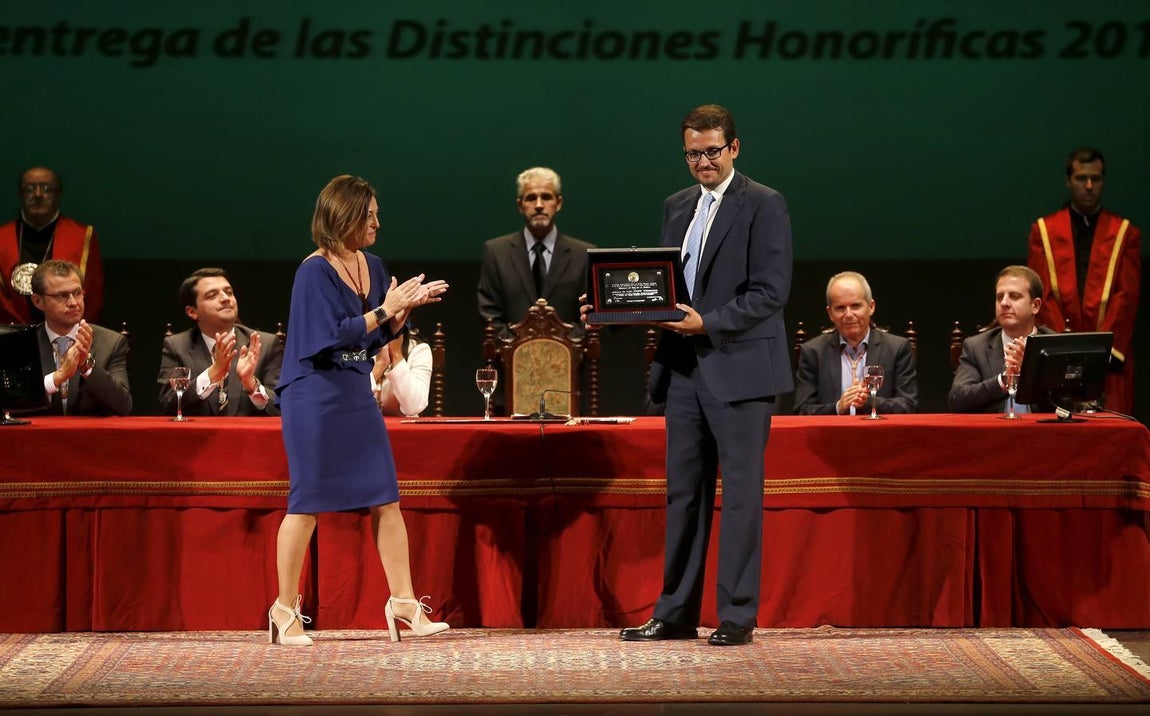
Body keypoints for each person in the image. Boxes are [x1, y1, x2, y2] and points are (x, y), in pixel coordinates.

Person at [611, 104, 793, 647]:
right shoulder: (677, 205)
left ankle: (736, 615)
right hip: (685, 371)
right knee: (683, 495)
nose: (703, 162)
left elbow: (770, 292)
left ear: (734, 148)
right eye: (693, 154)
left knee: (739, 497)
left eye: (712, 151)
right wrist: (614, 306)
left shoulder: (764, 203)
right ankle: (674, 612)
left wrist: (706, 323)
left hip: (741, 369)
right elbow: (665, 288)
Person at [269, 175, 450, 646]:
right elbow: (329, 335)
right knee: (308, 502)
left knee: (385, 497)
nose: (377, 223)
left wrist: (401, 312)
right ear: (344, 215)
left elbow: (370, 338)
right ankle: (284, 610)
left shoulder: (373, 264)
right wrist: (386, 309)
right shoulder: (313, 271)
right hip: (313, 394)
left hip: (353, 389)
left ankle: (404, 603)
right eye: (369, 215)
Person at [1026, 147, 1141, 415]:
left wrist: (1101, 352)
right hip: (1058, 357)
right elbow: (1043, 296)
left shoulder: (1124, 233)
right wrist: (1064, 348)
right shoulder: (1043, 231)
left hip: (1109, 361)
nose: (1089, 186)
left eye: (1096, 179)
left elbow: (1126, 297)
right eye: (1081, 178)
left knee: (1111, 430)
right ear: (1068, 181)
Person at [477, 167, 594, 336]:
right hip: (511, 351)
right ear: (520, 205)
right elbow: (489, 313)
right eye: (531, 198)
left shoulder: (583, 254)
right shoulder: (496, 252)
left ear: (558, 203)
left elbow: (589, 314)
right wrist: (520, 349)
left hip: (570, 351)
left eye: (546, 197)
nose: (539, 205)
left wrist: (559, 349)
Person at [157, 267, 283, 417]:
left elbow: (281, 408)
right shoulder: (177, 346)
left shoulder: (265, 344)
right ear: (192, 311)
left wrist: (251, 385)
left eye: (229, 292)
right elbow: (168, 406)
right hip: (198, 432)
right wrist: (212, 374)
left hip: (246, 432)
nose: (225, 298)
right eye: (212, 295)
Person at [793, 271, 918, 415]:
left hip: (879, 429)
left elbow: (908, 406)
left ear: (871, 307)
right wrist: (837, 408)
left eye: (856, 306)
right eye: (840, 308)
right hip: (832, 430)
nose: (848, 314)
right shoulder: (813, 352)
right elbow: (802, 410)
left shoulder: (897, 348)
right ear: (830, 313)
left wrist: (869, 402)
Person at [0, 167, 104, 325]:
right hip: (12, 334)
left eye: (46, 189)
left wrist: (70, 333)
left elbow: (92, 297)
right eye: (30, 189)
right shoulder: (2, 238)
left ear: (58, 195)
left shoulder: (82, 236)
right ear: (21, 194)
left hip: (68, 333)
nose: (38, 195)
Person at [949, 265, 1055, 414]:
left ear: (1035, 306)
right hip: (994, 428)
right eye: (999, 297)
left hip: (1044, 428)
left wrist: (1030, 373)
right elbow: (957, 400)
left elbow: (1069, 403)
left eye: (1014, 296)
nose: (1004, 303)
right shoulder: (976, 347)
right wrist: (1004, 380)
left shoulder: (1055, 346)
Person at [29, 259, 130, 416]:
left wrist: (86, 366)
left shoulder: (111, 343)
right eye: (62, 296)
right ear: (38, 301)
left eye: (77, 293)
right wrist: (57, 378)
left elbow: (123, 406)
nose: (73, 302)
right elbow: (11, 402)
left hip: (89, 432)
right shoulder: (23, 344)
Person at [370, 327, 431, 417]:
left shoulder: (418, 349)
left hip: (402, 424)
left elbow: (413, 408)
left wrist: (397, 355)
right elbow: (350, 400)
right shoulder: (356, 348)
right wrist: (380, 366)